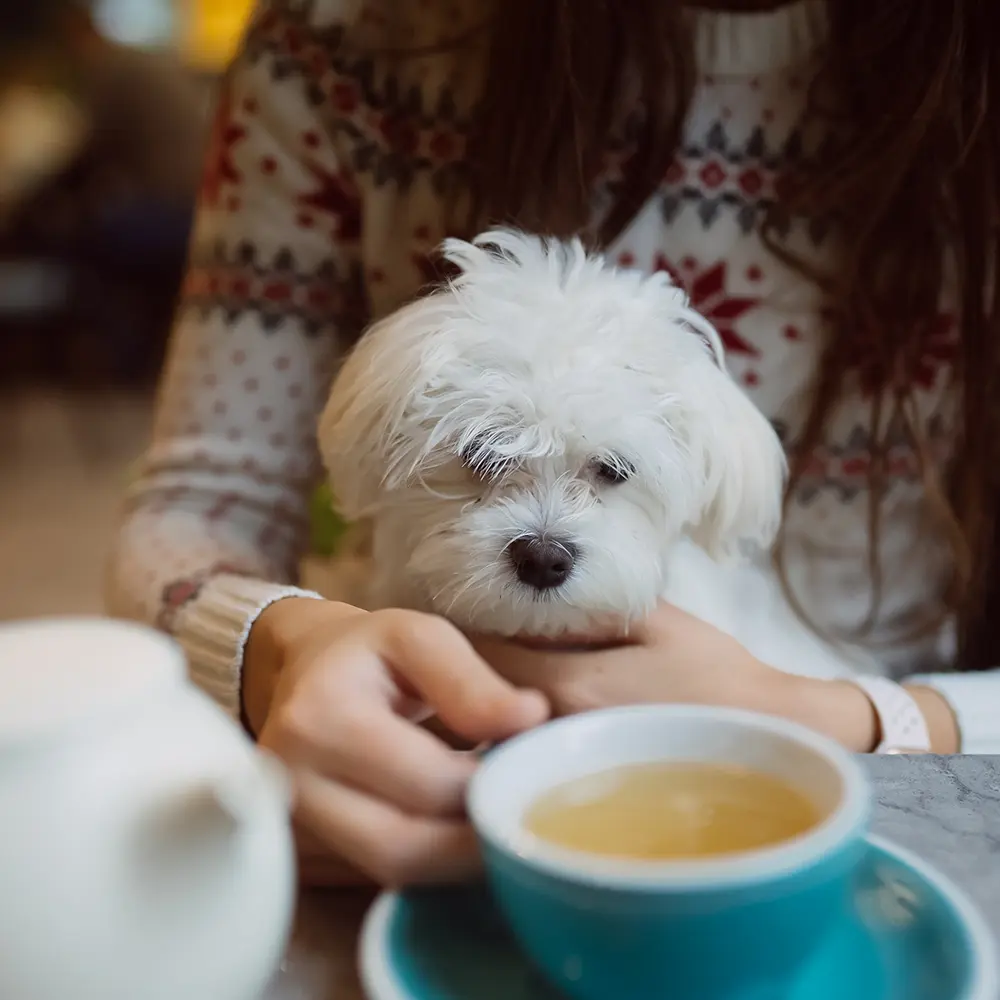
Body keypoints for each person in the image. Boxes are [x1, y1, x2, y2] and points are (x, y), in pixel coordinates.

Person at [107, 0, 1000, 887]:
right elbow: (201, 505)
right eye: (487, 461)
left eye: (609, 473)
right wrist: (277, 647)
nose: (544, 538)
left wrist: (854, 717)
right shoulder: (344, 43)